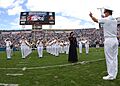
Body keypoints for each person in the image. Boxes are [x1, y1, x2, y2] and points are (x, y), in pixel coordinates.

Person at [89, 7, 119, 80]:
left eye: (105, 12)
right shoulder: (114, 20)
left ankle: (111, 75)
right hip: (115, 39)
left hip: (109, 40)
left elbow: (96, 20)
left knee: (109, 58)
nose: (104, 14)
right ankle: (114, 74)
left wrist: (91, 16)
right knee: (114, 58)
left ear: (107, 12)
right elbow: (106, 20)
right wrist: (103, 17)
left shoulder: (106, 19)